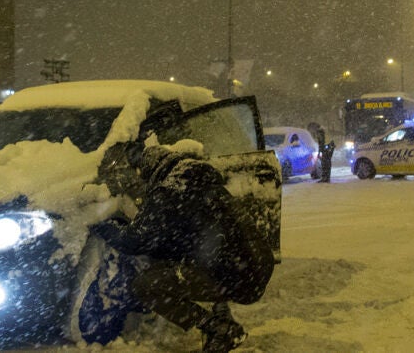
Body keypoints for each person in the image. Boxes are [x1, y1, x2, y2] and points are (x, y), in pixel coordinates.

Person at [90, 144, 275, 352]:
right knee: (196, 257)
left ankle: (218, 328)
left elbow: (134, 241)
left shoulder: (168, 191)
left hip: (236, 277)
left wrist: (100, 224)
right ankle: (221, 311)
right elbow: (186, 236)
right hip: (255, 269)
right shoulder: (200, 181)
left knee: (145, 285)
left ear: (151, 172)